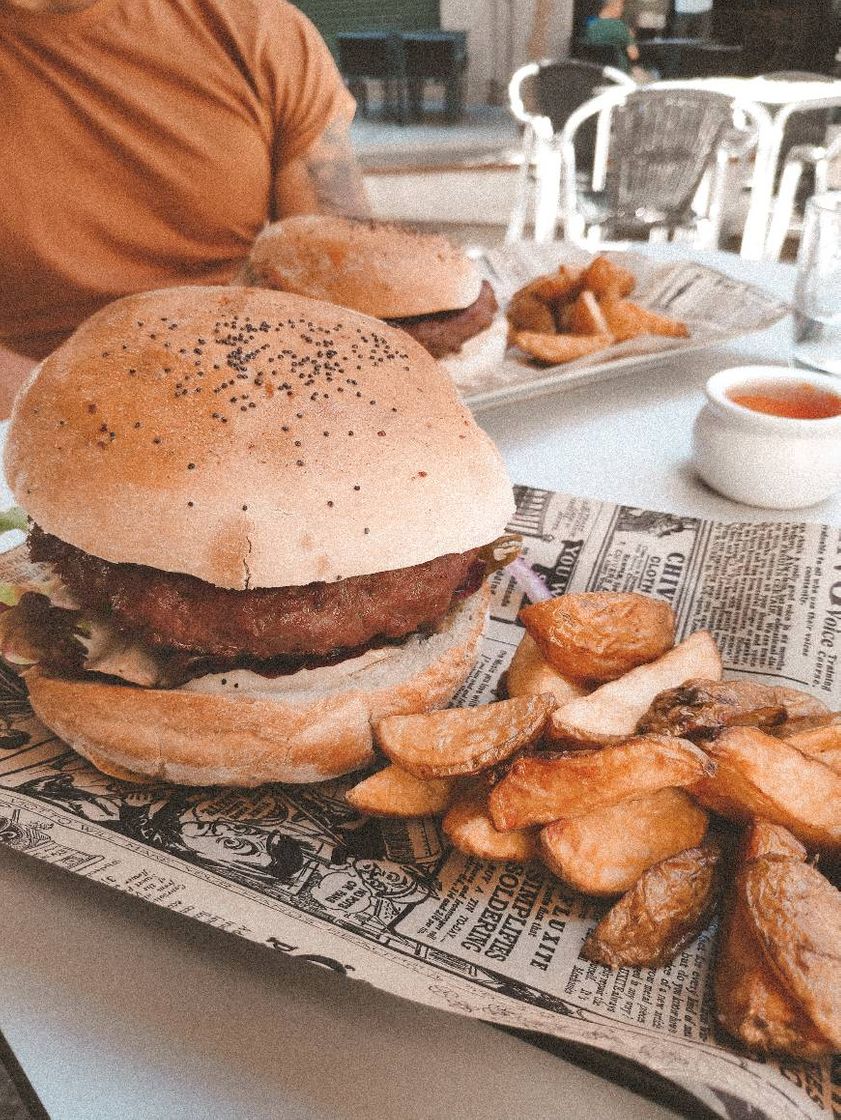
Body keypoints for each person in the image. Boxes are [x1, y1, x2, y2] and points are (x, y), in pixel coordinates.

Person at [0, 0, 370, 414]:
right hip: (19, 411)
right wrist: (71, 408)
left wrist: (409, 318)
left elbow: (340, 272)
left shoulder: (259, 29)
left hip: (250, 399)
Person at [582, 0, 641, 74]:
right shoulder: (620, 26)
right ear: (612, 6)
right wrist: (631, 37)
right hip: (619, 76)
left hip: (596, 74)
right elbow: (634, 55)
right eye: (621, 6)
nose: (622, 10)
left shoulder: (590, 26)